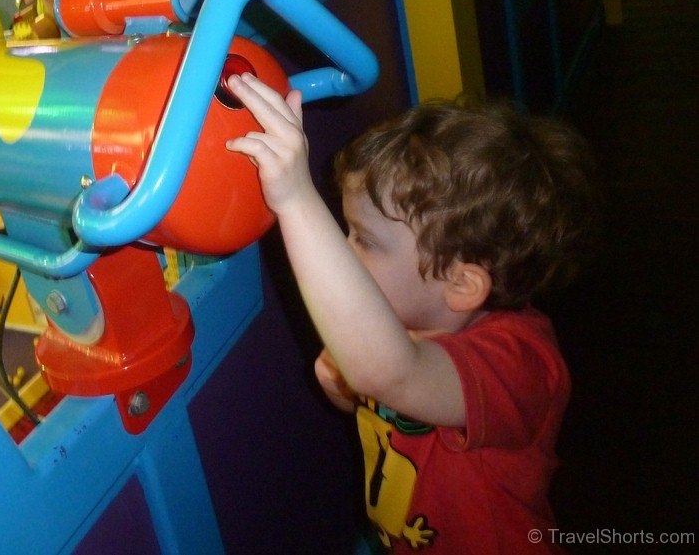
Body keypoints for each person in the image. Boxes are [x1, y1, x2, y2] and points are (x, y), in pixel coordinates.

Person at [224, 74, 598, 554]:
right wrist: (344, 386)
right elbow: (381, 388)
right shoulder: (405, 319)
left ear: (461, 285)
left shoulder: (520, 363)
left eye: (366, 241)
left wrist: (297, 200)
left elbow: (392, 374)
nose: (343, 252)